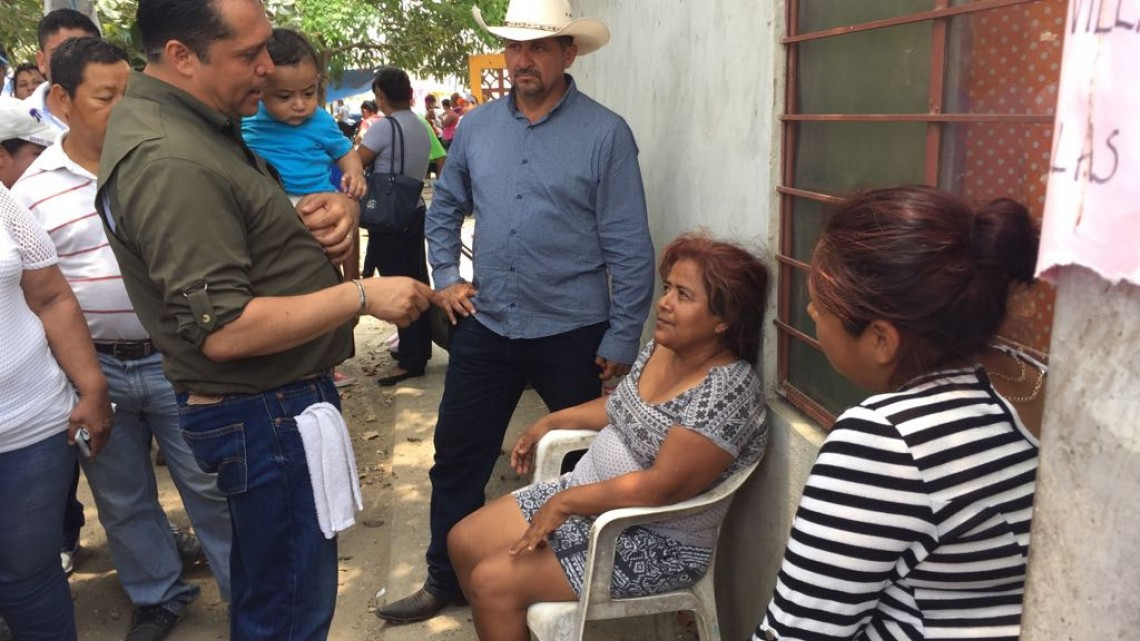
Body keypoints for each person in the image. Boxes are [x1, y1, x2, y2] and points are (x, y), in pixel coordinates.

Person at [96, 0, 435, 639]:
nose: (265, 66)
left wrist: (320, 211)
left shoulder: (203, 127)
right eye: (249, 54)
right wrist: (363, 295)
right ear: (182, 56)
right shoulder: (172, 158)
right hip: (262, 413)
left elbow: (238, 230)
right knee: (289, 610)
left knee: (276, 593)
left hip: (272, 409)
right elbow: (225, 329)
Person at [375, 0, 655, 622]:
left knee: (588, 462)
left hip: (574, 332)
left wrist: (623, 334)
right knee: (457, 455)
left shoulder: (605, 133)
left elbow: (630, 246)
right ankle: (445, 578)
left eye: (539, 48)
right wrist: (445, 278)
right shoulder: (475, 128)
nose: (522, 60)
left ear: (568, 53)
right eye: (514, 47)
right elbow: (444, 208)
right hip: (488, 324)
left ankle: (571, 581)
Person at [12, 37, 233, 641]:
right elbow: (41, 295)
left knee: (210, 486)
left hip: (177, 360)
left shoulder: (163, 162)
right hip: (94, 372)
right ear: (61, 99)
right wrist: (79, 381)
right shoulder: (31, 193)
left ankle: (249, 596)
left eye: (130, 94)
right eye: (106, 97)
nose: (124, 107)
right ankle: (157, 594)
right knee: (123, 496)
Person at [752, 185, 1041, 641]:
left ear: (882, 340)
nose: (809, 311)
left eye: (819, 308)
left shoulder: (889, 442)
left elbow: (797, 632)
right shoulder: (1037, 376)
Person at [448, 234, 769, 641]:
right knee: (463, 541)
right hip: (589, 499)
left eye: (683, 295)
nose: (664, 303)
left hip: (654, 539)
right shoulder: (665, 348)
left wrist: (565, 502)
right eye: (668, 288)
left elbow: (662, 486)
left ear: (724, 319)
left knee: (493, 583)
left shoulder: (727, 390)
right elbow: (621, 408)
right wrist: (551, 422)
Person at [0, 159, 112, 640]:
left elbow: (50, 297)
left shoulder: (3, 202)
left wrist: (92, 387)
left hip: (29, 430)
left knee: (28, 574)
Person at [357, 66, 433, 386]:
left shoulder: (384, 127)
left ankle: (412, 360)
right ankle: (417, 349)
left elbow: (355, 161)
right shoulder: (420, 125)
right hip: (413, 211)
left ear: (382, 96)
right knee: (416, 279)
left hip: (389, 216)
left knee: (396, 286)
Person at [242, 28, 365, 203]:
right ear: (261, 89)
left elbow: (345, 152)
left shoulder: (321, 121)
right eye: (285, 96)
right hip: (267, 203)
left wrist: (354, 173)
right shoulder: (248, 117)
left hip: (318, 200)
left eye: (308, 93)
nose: (300, 105)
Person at [23, 9, 101, 132]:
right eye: (59, 54)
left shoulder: (121, 114)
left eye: (83, 54)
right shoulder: (16, 122)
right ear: (41, 61)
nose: (71, 63)